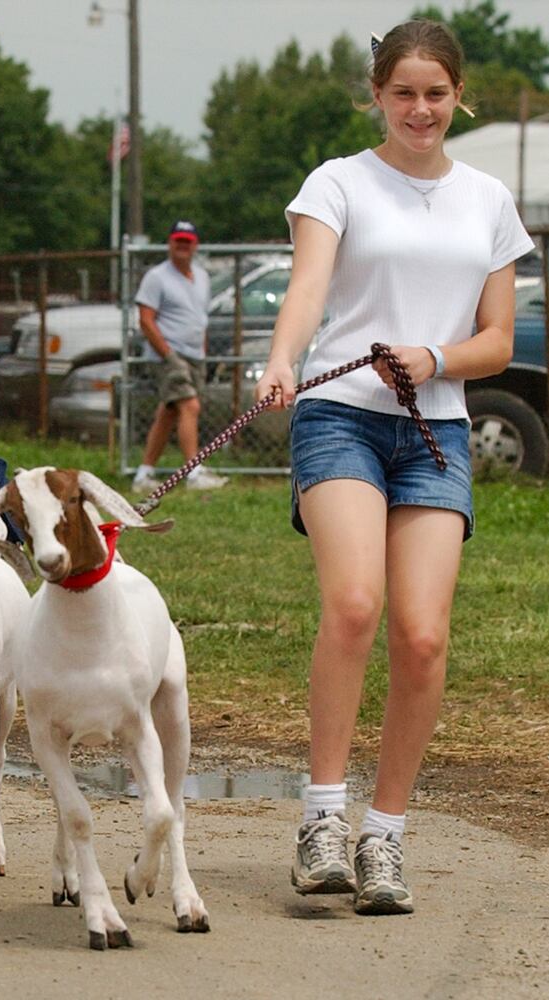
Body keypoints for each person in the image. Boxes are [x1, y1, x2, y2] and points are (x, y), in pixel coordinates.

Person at [255, 20, 533, 915]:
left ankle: (385, 834)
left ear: (458, 97)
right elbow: (306, 287)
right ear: (376, 94)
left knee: (420, 635)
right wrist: (280, 359)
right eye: (403, 92)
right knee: (353, 604)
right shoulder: (337, 182)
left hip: (435, 428)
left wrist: (433, 357)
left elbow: (496, 340)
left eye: (436, 93)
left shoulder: (488, 199)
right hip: (339, 416)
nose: (420, 108)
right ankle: (322, 819)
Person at [131, 220, 229, 493]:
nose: (183, 246)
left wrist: (203, 352)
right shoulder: (157, 277)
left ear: (195, 245)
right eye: (178, 241)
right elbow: (146, 320)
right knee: (190, 406)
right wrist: (168, 355)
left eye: (188, 241)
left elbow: (200, 319)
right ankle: (193, 472)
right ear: (170, 243)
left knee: (169, 412)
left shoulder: (202, 277)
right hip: (169, 355)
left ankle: (143, 474)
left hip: (194, 356)